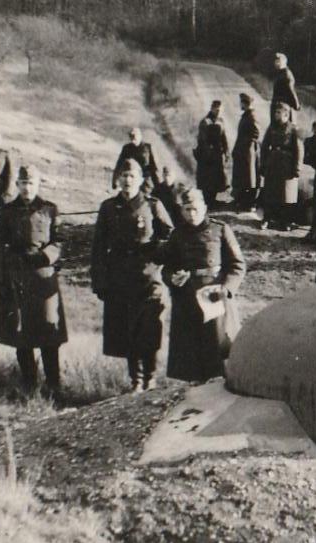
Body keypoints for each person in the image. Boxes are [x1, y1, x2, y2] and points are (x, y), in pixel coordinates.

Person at [90, 162, 174, 391]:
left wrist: (157, 252)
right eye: (123, 175)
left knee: (149, 327)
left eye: (132, 176)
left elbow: (170, 236)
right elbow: (98, 247)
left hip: (148, 275)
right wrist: (99, 280)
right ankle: (136, 381)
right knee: (128, 330)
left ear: (139, 179)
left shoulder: (152, 205)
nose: (127, 180)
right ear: (118, 179)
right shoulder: (108, 207)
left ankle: (151, 377)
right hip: (120, 276)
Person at [0, 166, 68, 405]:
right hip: (17, 277)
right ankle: (29, 387)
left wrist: (47, 256)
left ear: (38, 184)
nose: (27, 187)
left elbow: (60, 240)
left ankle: (54, 388)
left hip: (43, 277)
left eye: (31, 183)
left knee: (49, 334)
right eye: (23, 183)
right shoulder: (7, 212)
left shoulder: (49, 209)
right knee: (22, 336)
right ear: (17, 185)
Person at [161, 187, 246, 383]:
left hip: (215, 298)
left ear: (204, 208)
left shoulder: (221, 229)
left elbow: (237, 265)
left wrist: (227, 289)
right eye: (187, 209)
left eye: (196, 209)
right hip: (187, 299)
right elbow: (167, 266)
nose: (192, 214)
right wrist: (172, 278)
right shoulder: (178, 235)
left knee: (218, 351)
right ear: (181, 210)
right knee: (191, 355)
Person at [259, 101, 303, 230]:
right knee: (270, 192)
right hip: (272, 163)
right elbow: (264, 146)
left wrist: (297, 168)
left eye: (278, 112)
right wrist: (263, 164)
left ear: (286, 114)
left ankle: (285, 222)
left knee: (286, 195)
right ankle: (267, 219)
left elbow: (299, 150)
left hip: (286, 165)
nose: (276, 115)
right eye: (275, 112)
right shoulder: (271, 127)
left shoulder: (293, 129)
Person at [194, 100, 230, 206]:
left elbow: (224, 138)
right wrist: (208, 153)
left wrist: (226, 151)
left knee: (216, 178)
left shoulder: (221, 121)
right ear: (212, 109)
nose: (218, 112)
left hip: (218, 154)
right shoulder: (205, 122)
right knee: (207, 178)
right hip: (207, 155)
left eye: (220, 110)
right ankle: (207, 201)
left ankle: (213, 200)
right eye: (216, 109)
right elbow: (202, 140)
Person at [231, 93, 261, 211]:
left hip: (248, 152)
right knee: (244, 176)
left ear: (245, 103)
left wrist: (245, 144)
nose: (240, 105)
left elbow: (256, 133)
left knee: (249, 178)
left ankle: (249, 203)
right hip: (243, 150)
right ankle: (243, 201)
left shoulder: (252, 116)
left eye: (242, 103)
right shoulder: (247, 115)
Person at [113, 127, 160, 191]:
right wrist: (115, 181)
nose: (132, 137)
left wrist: (158, 185)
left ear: (140, 136)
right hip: (132, 179)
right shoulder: (126, 148)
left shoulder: (148, 147)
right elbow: (119, 165)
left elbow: (154, 167)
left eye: (134, 135)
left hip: (145, 180)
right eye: (131, 136)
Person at [153, 166, 187, 231]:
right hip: (164, 218)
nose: (167, 178)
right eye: (165, 175)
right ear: (163, 176)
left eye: (169, 176)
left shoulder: (181, 189)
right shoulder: (158, 189)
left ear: (174, 176)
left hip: (179, 219)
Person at [269, 52, 300, 120]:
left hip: (283, 107)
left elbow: (291, 91)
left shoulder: (286, 75)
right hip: (278, 106)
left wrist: (296, 105)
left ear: (284, 62)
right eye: (276, 61)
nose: (276, 63)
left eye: (279, 62)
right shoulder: (280, 73)